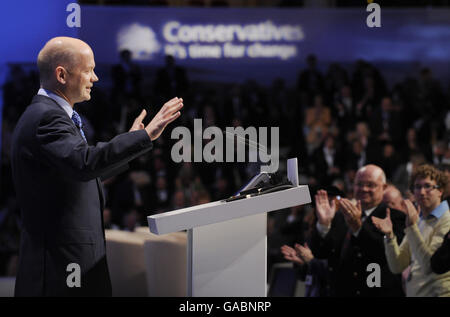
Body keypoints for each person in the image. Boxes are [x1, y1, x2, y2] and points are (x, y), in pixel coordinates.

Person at [10, 37, 183, 296]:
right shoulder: (47, 118)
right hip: (63, 264)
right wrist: (142, 138)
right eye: (88, 70)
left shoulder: (50, 115)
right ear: (61, 74)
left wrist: (133, 143)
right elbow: (85, 163)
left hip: (68, 260)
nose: (95, 78)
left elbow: (82, 173)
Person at [310, 164, 406, 296]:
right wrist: (323, 225)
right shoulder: (340, 216)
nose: (364, 189)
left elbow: (388, 256)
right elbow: (320, 253)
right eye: (359, 184)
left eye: (370, 185)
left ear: (383, 187)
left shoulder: (396, 217)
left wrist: (358, 228)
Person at [372, 164, 450, 296]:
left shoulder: (447, 219)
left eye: (427, 186)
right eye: (417, 187)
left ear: (440, 190)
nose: (422, 192)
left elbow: (429, 267)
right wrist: (389, 236)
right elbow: (397, 265)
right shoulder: (417, 220)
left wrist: (412, 227)